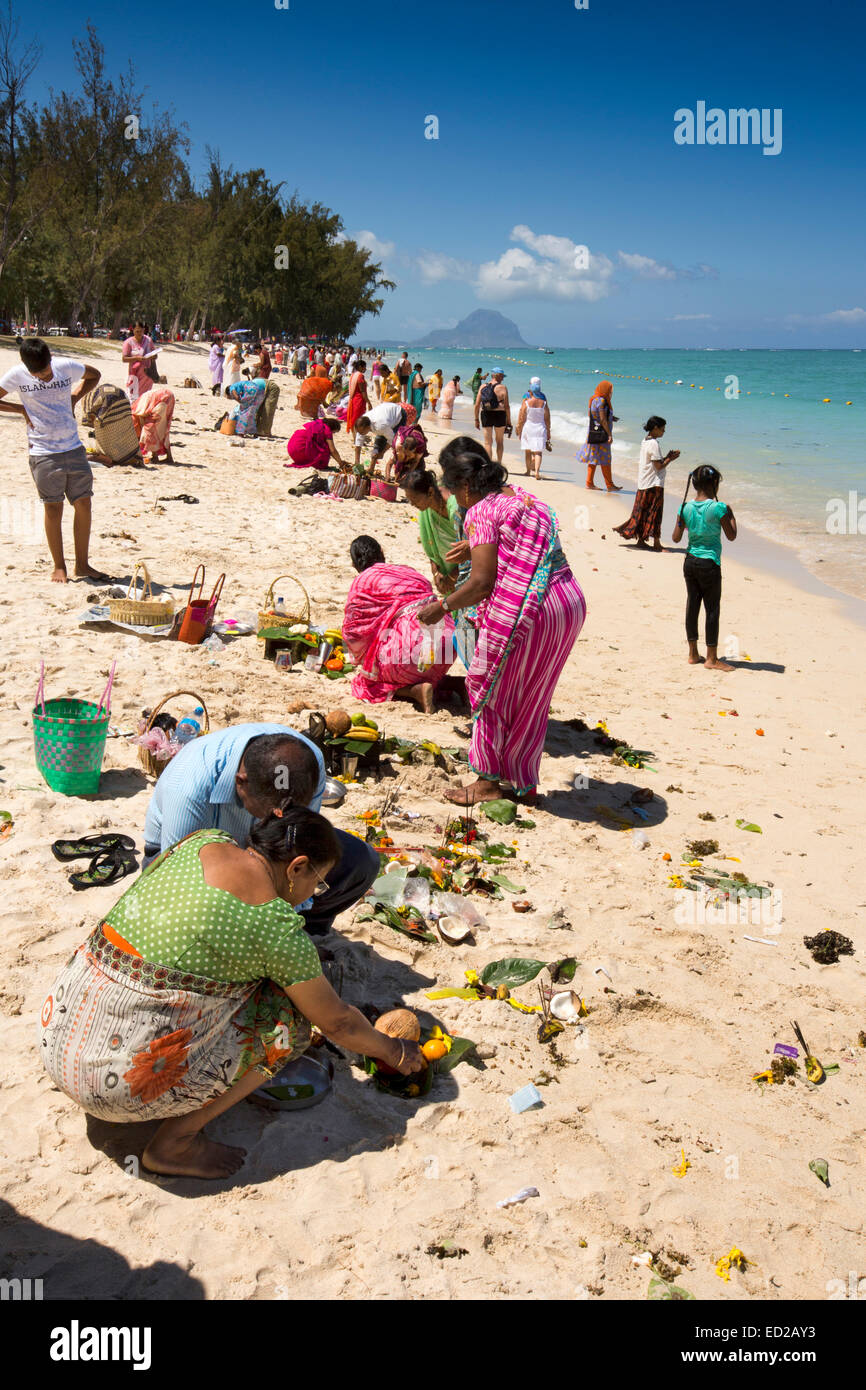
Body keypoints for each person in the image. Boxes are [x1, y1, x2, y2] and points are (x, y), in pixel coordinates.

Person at [40, 806, 425, 1179]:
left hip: (59, 1034)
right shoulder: (274, 927)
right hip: (112, 1086)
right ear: (297, 867)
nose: (313, 893)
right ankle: (177, 1141)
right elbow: (339, 1023)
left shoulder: (200, 842)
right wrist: (394, 1051)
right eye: (317, 881)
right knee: (287, 1025)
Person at [417, 441, 586, 805]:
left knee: (490, 689)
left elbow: (481, 584)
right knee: (531, 698)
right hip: (566, 603)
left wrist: (442, 607)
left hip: (530, 611)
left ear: (465, 486)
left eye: (451, 489)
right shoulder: (526, 499)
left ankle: (489, 782)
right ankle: (522, 782)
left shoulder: (481, 510)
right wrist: (473, 545)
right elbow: (517, 543)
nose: (453, 498)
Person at [142, 724, 380, 935]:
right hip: (187, 863)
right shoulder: (189, 785)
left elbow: (301, 842)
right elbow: (179, 881)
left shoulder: (307, 762)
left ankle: (305, 931)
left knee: (359, 862)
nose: (280, 819)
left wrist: (289, 920)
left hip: (262, 854)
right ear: (241, 783)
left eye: (292, 811)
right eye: (268, 814)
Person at [0, 336, 107, 583]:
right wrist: (20, 409)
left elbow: (94, 374)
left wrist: (75, 397)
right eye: (38, 375)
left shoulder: (64, 366)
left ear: (51, 360)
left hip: (73, 447)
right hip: (43, 452)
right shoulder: (17, 375)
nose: (45, 377)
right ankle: (59, 566)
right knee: (53, 508)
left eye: (47, 371)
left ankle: (82, 564)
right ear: (27, 369)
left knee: (83, 504)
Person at [343, 535, 455, 712]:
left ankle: (414, 692)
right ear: (381, 553)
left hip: (410, 652)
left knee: (366, 681)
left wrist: (358, 658)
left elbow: (354, 631)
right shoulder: (409, 572)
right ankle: (455, 684)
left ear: (355, 563)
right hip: (448, 644)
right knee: (421, 663)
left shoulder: (364, 580)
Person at [671, 465, 737, 670]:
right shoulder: (719, 508)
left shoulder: (685, 507)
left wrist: (681, 519)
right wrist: (730, 514)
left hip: (689, 561)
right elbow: (731, 535)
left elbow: (675, 538)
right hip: (709, 563)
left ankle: (692, 654)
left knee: (692, 605)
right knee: (712, 609)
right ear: (714, 484)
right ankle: (711, 658)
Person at [614, 416, 680, 551]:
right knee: (655, 512)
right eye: (662, 429)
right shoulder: (654, 444)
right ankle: (656, 544)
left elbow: (655, 462)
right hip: (654, 482)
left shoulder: (645, 441)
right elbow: (659, 466)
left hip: (644, 481)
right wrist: (671, 459)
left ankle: (641, 540)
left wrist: (666, 457)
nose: (664, 431)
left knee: (643, 512)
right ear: (655, 428)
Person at [401, 467, 460, 594]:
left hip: (464, 572)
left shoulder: (455, 508)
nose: (412, 504)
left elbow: (472, 551)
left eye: (415, 499)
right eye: (409, 500)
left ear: (431, 492)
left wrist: (452, 577)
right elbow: (431, 544)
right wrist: (436, 572)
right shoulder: (426, 509)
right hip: (446, 572)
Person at [77, 383, 143, 467]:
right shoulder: (117, 394)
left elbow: (88, 420)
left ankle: (111, 459)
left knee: (98, 448)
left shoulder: (90, 398)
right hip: (133, 454)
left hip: (113, 457)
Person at [579, 380, 621, 491]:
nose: (611, 393)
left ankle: (589, 483)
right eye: (610, 390)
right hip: (602, 435)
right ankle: (609, 485)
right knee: (606, 459)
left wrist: (611, 418)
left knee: (593, 459)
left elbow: (594, 415)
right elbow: (602, 419)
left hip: (593, 433)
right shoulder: (602, 401)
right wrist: (609, 434)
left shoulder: (594, 399)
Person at [353, 401, 406, 467]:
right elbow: (358, 444)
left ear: (368, 427)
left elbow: (391, 439)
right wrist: (356, 462)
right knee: (376, 448)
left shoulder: (380, 426)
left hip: (398, 414)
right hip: (385, 412)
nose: (361, 434)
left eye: (362, 432)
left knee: (397, 444)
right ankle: (371, 469)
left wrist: (382, 452)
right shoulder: (362, 422)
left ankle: (398, 466)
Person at [132, 384, 176, 463]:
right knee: (164, 428)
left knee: (150, 428)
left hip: (160, 399)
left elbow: (137, 431)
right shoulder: (136, 406)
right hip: (168, 395)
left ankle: (154, 456)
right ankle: (169, 457)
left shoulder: (133, 414)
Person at [516, 384, 552, 480]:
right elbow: (547, 418)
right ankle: (536, 472)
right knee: (538, 452)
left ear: (530, 392)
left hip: (528, 427)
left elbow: (522, 418)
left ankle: (528, 471)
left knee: (528, 451)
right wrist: (548, 431)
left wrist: (519, 429)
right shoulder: (544, 403)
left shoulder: (526, 402)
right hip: (540, 428)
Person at [475, 369, 510, 464]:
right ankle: (499, 464)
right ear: (497, 375)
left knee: (487, 442)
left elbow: (477, 404)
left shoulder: (483, 386)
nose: (503, 379)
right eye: (502, 376)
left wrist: (476, 419)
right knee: (499, 441)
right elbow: (507, 406)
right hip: (500, 414)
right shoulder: (503, 388)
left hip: (486, 414)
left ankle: (488, 464)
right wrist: (509, 421)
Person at [122, 321, 158, 402]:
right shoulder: (128, 342)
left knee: (145, 397)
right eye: (137, 331)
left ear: (144, 330)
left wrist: (153, 356)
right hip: (135, 374)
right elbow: (124, 358)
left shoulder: (148, 340)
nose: (139, 333)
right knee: (133, 395)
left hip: (148, 374)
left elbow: (155, 354)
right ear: (133, 330)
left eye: (141, 331)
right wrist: (136, 358)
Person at [345, 359, 370, 438]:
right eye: (364, 367)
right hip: (358, 400)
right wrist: (369, 402)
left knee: (354, 418)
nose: (365, 369)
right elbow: (363, 392)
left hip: (353, 399)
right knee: (358, 419)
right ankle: (357, 437)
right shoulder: (360, 376)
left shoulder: (353, 375)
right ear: (360, 367)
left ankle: (354, 436)